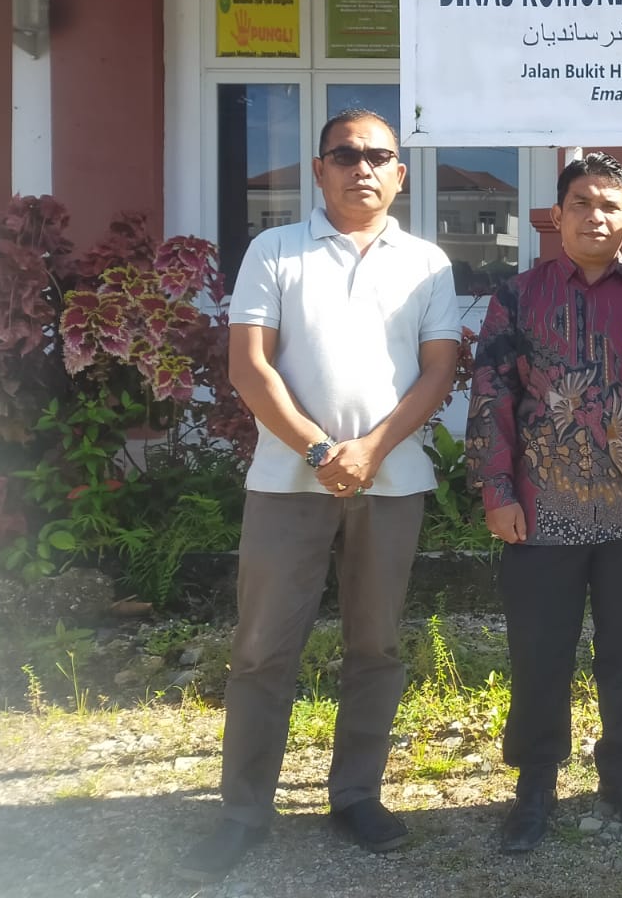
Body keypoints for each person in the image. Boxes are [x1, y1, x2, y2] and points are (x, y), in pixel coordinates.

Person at [176, 109, 461, 884]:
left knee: (376, 647)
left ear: (401, 174)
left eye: (379, 157)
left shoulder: (428, 263)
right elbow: (250, 368)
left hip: (392, 481)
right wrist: (317, 449)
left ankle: (355, 796)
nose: (362, 168)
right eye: (346, 154)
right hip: (286, 483)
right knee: (263, 647)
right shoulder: (274, 251)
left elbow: (438, 371)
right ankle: (243, 811)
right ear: (318, 168)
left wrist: (370, 450)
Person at [464, 152, 622, 854]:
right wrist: (496, 489)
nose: (596, 216)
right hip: (541, 511)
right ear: (556, 217)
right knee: (540, 653)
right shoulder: (517, 295)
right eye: (582, 204)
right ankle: (535, 781)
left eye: (610, 206)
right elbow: (491, 397)